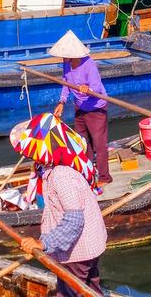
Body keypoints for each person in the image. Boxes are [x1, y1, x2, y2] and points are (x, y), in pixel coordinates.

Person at [18, 126, 107, 296]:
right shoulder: (54, 170)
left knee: (68, 292)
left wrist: (43, 243)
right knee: (91, 290)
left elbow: (74, 220)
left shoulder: (62, 175)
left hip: (78, 251)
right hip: (88, 245)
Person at [52, 30, 112, 186]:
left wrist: (88, 90)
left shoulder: (89, 64)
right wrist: (62, 102)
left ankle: (105, 177)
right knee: (82, 143)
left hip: (96, 109)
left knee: (99, 143)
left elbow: (97, 89)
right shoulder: (67, 64)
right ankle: (87, 173)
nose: (63, 58)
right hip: (80, 108)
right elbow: (66, 84)